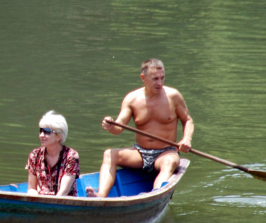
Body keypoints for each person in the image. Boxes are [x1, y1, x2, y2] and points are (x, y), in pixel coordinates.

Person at [87, 58, 193, 196]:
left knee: (169, 162)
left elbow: (188, 120)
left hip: (165, 152)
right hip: (141, 153)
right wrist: (110, 126)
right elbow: (118, 128)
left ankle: (155, 195)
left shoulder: (173, 96)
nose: (159, 83)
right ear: (143, 78)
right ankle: (100, 196)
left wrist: (187, 139)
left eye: (162, 78)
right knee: (109, 154)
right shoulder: (132, 99)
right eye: (155, 79)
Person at [25, 111, 80, 197]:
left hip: (63, 203)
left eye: (47, 131)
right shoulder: (35, 155)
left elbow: (63, 192)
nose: (41, 135)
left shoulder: (71, 156)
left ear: (59, 136)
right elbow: (31, 188)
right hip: (40, 202)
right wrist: (35, 199)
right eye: (41, 131)